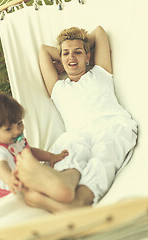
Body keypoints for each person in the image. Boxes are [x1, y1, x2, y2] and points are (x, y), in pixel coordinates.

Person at [16, 26, 137, 212]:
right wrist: (66, 55)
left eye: (78, 52)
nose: (71, 57)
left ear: (88, 56)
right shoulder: (58, 88)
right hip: (77, 133)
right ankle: (63, 183)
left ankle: (80, 200)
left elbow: (99, 32)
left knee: (104, 154)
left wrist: (76, 45)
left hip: (112, 125)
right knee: (69, 150)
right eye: (66, 54)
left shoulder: (101, 72)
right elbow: (43, 50)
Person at [0, 92, 68, 200]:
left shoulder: (14, 140)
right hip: (11, 195)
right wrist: (10, 179)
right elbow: (1, 166)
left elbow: (31, 151)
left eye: (19, 123)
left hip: (28, 182)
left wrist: (51, 157)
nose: (17, 131)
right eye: (8, 129)